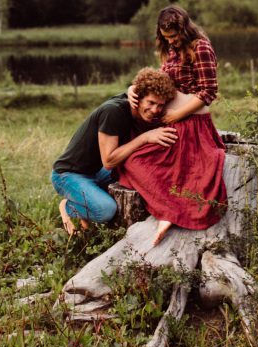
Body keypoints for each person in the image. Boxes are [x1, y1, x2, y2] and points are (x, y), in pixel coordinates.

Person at [120, 5, 227, 245]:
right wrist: (133, 88)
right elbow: (162, 80)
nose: (172, 41)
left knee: (182, 169)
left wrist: (178, 115)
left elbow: (209, 91)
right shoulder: (170, 47)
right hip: (172, 120)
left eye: (175, 36)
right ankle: (167, 209)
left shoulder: (200, 47)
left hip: (192, 124)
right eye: (167, 37)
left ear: (185, 29)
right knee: (135, 161)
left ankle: (170, 214)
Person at [51, 67, 178, 235]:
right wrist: (145, 137)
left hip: (97, 171)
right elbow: (109, 160)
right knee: (106, 210)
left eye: (160, 105)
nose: (155, 110)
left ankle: (91, 200)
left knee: (136, 178)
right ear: (138, 98)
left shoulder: (140, 111)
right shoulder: (114, 111)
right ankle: (69, 207)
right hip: (68, 174)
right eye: (151, 103)